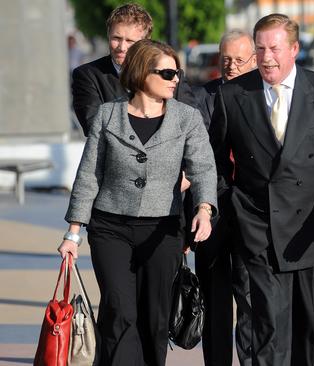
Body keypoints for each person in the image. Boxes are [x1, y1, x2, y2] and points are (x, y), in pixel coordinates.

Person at [210, 13, 314, 366]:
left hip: (313, 228)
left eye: (275, 48)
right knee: (269, 325)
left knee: (311, 326)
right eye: (261, 48)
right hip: (258, 227)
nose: (267, 57)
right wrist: (230, 204)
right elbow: (216, 161)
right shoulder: (233, 95)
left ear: (294, 49)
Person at [58, 39, 217, 366]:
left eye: (178, 72)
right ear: (143, 73)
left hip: (163, 230)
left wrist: (203, 209)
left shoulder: (186, 118)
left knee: (155, 317)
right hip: (110, 228)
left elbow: (202, 168)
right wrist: (73, 233)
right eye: (168, 72)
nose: (176, 79)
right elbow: (89, 175)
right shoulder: (108, 114)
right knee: (119, 311)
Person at [192, 29, 257, 366]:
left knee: (250, 299)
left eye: (238, 59)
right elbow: (198, 152)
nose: (231, 66)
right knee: (215, 301)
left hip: (252, 212)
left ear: (255, 60)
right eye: (225, 59)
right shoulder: (201, 97)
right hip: (212, 209)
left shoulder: (265, 96)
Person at [71, 3, 195, 136]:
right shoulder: (88, 75)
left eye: (130, 41)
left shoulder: (171, 74)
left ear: (146, 42)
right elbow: (94, 126)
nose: (122, 47)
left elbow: (192, 124)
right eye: (116, 38)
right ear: (108, 35)